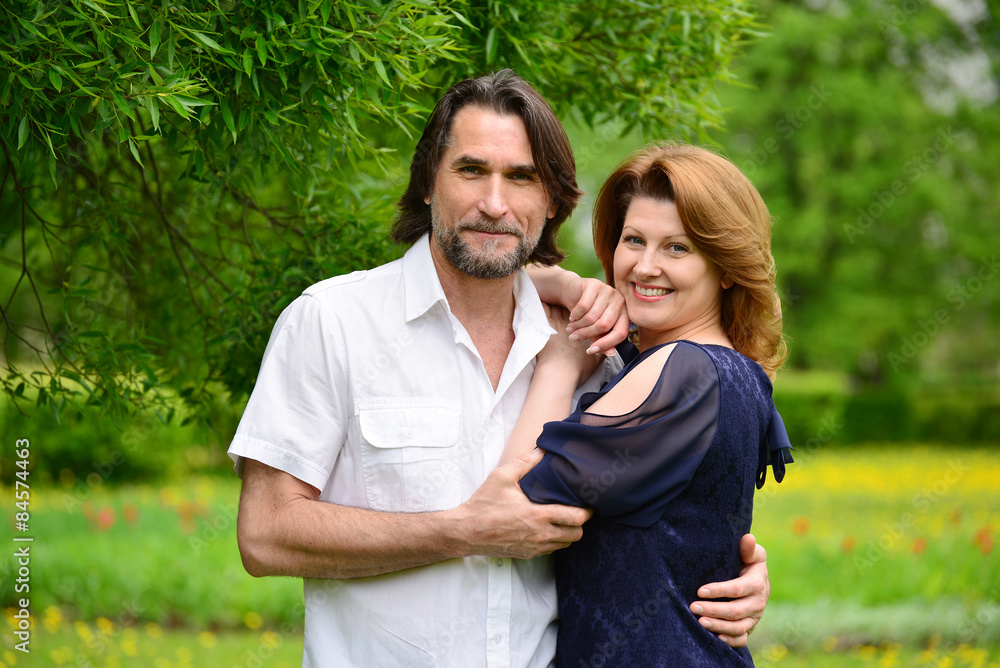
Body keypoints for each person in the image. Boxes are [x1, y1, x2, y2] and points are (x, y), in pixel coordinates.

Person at [230, 71, 772, 667]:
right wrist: (462, 529)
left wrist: (723, 566)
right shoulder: (333, 322)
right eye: (471, 170)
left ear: (552, 201)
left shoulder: (600, 351)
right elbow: (264, 535)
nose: (494, 203)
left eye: (521, 177)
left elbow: (662, 524)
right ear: (428, 183)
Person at [509, 142, 794, 666]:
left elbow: (516, 503)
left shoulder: (685, 371)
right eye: (634, 240)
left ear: (726, 266)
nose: (644, 266)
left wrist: (559, 365)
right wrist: (565, 283)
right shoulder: (730, 370)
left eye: (677, 248)